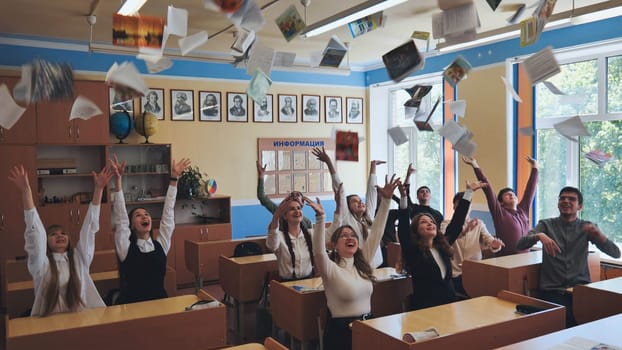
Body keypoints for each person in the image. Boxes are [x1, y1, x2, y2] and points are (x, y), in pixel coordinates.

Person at [9, 164, 112, 316]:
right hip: (49, 323)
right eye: (53, 234)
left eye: (63, 233)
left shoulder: (79, 258)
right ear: (46, 242)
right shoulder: (40, 263)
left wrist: (98, 190)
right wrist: (26, 191)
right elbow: (35, 234)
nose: (60, 236)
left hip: (81, 320)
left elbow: (89, 229)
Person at [312, 175, 398, 350]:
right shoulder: (331, 269)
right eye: (344, 235)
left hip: (369, 326)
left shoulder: (362, 262)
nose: (350, 238)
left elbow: (377, 232)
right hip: (341, 333)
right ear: (335, 245)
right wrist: (321, 218)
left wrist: (387, 200)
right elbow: (319, 251)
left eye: (352, 235)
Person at [516, 186, 620, 327]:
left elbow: (615, 253)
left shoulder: (587, 227)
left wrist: (599, 235)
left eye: (571, 199)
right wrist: (538, 236)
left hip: (580, 291)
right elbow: (520, 245)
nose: (566, 201)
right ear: (558, 203)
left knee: (601, 317)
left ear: (580, 206)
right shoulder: (546, 225)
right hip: (552, 291)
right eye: (562, 198)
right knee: (568, 321)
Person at [110, 155, 191, 304]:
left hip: (159, 304)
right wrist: (118, 181)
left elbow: (167, 215)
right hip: (133, 307)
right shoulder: (125, 248)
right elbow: (121, 218)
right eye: (138, 216)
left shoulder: (161, 245)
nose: (144, 217)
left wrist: (174, 179)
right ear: (132, 225)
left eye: (146, 214)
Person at [398, 180, 485, 311]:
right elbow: (403, 229)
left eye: (431, 222)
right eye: (423, 222)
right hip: (426, 309)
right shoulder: (413, 251)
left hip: (449, 306)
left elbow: (456, 223)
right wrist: (404, 197)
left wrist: (469, 192)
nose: (430, 224)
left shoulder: (442, 246)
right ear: (416, 230)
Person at [313, 146, 385, 268]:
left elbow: (372, 193)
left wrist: (373, 168)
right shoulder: (347, 218)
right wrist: (329, 163)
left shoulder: (368, 217)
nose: (360, 203)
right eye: (354, 201)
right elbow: (340, 190)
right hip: (358, 267)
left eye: (360, 200)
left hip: (377, 266)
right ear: (348, 206)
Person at [462, 155, 538, 256]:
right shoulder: (500, 213)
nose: (512, 195)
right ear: (501, 202)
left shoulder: (523, 210)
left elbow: (530, 189)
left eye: (513, 194)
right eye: (507, 194)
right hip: (505, 260)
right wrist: (475, 165)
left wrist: (535, 167)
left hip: (525, 259)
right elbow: (487, 189)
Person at [440, 191, 504, 297]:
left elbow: (488, 239)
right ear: (454, 206)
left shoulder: (479, 223)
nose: (464, 207)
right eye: (459, 204)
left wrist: (495, 244)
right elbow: (444, 240)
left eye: (467, 204)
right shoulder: (446, 223)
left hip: (475, 271)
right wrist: (465, 230)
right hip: (455, 271)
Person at [266, 197, 315, 281]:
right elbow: (272, 245)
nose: (297, 211)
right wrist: (277, 215)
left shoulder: (310, 234)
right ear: (285, 216)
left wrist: (321, 215)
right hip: (287, 285)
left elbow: (329, 239)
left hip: (309, 282)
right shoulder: (280, 237)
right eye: (292, 209)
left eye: (299, 208)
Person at [256, 161, 312, 229]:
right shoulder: (279, 213)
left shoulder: (307, 222)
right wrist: (261, 177)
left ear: (302, 203)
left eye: (297, 195)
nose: (294, 196)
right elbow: (262, 197)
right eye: (292, 195)